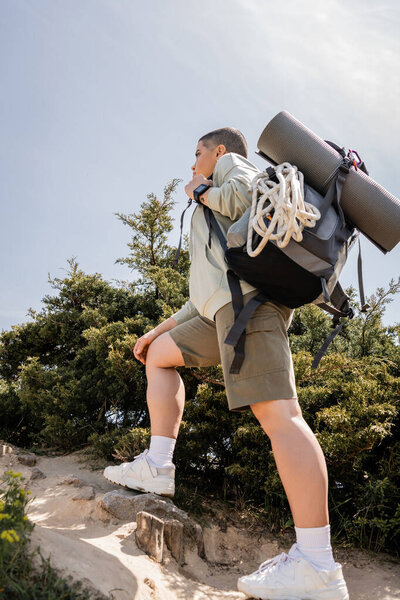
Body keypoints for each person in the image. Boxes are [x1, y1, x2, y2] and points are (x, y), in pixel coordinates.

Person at [103, 127, 349, 599]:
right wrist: (158, 331)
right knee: (159, 356)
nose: (192, 161)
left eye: (197, 152)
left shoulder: (231, 168)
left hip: (251, 307)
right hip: (222, 311)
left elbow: (243, 196)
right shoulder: (208, 207)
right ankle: (158, 465)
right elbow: (208, 289)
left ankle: (318, 565)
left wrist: (201, 188)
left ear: (218, 151)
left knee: (281, 418)